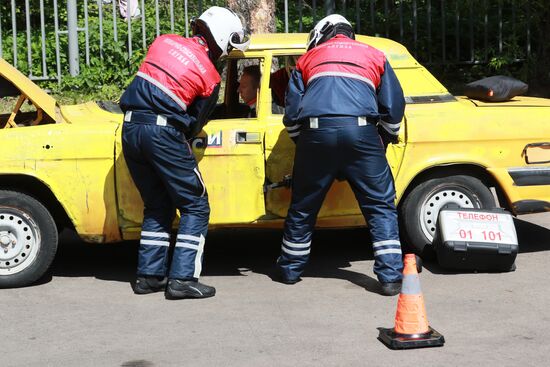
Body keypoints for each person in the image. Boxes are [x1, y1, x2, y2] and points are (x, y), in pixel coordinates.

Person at [120, 6, 250, 299]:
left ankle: (149, 277)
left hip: (130, 129)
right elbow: (194, 125)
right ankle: (182, 279)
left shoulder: (163, 41)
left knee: (157, 205)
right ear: (220, 38)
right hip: (162, 134)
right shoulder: (210, 76)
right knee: (195, 204)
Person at [275, 14, 406, 296]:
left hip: (316, 134)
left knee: (303, 206)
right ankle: (390, 277)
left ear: (322, 34)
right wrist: (380, 140)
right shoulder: (375, 55)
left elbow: (292, 113)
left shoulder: (307, 59)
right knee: (380, 206)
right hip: (362, 133)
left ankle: (289, 270)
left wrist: (307, 144)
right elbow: (394, 106)